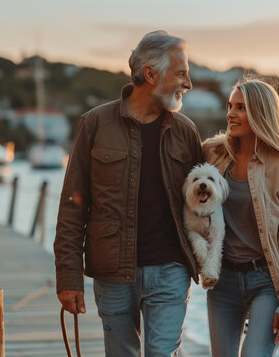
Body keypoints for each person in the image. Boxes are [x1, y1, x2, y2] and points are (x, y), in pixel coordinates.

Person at [54, 30, 203, 357]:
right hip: (112, 272)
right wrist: (68, 277)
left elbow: (208, 200)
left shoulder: (186, 131)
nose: (188, 83)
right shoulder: (94, 124)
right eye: (181, 73)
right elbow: (71, 207)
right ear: (151, 74)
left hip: (171, 269)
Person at [202, 77, 279, 356]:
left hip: (266, 282)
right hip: (223, 281)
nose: (231, 114)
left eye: (241, 108)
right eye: (230, 106)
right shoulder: (214, 153)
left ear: (260, 114)